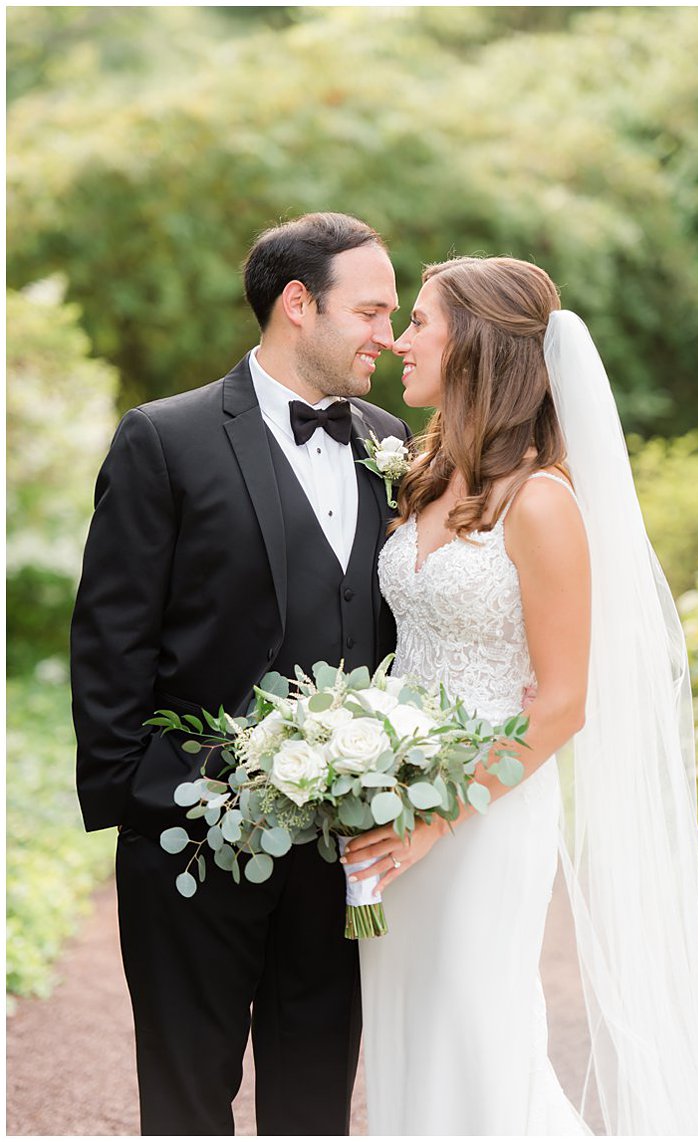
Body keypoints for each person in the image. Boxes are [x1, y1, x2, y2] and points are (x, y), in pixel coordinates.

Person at [339, 256, 698, 1134]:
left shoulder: (540, 503)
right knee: (407, 1030)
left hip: (482, 816)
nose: (400, 340)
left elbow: (565, 702)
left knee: (479, 1037)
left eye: (420, 322)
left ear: (477, 346)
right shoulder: (421, 476)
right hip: (393, 807)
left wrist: (436, 820)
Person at [71, 212, 408, 1133]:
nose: (390, 332)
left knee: (317, 1097)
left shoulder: (387, 440)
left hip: (341, 849)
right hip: (193, 835)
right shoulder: (164, 439)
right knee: (186, 1096)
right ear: (299, 304)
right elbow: (110, 635)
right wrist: (146, 797)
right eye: (372, 310)